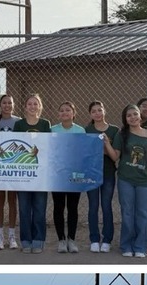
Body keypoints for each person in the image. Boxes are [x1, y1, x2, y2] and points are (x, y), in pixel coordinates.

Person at [112, 104, 147, 258]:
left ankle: (140, 246)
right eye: (129, 115)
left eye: (135, 114)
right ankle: (126, 245)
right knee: (127, 212)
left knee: (143, 213)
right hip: (126, 179)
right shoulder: (122, 134)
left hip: (145, 180)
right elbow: (115, 157)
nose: (132, 117)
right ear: (125, 119)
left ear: (140, 116)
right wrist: (106, 143)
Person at [14, 93, 52, 253]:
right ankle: (25, 240)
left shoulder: (45, 124)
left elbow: (49, 146)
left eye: (35, 104)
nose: (32, 107)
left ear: (40, 107)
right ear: (25, 107)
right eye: (30, 104)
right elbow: (15, 147)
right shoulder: (19, 125)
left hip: (41, 174)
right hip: (23, 174)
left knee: (39, 208)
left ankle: (38, 239)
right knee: (24, 208)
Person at [84, 101, 119, 253]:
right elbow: (84, 153)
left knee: (106, 205)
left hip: (108, 172)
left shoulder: (114, 130)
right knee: (93, 206)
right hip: (91, 173)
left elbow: (115, 157)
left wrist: (104, 145)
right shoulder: (87, 130)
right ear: (90, 114)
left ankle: (107, 239)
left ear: (104, 111)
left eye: (100, 110)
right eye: (94, 111)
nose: (97, 113)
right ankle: (94, 239)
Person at [51, 101, 86, 253]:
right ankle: (61, 240)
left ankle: (71, 239)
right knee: (58, 207)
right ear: (58, 114)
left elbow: (85, 152)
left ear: (73, 113)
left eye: (68, 110)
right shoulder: (52, 130)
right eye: (62, 110)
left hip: (74, 175)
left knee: (72, 208)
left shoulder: (80, 130)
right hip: (57, 175)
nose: (65, 113)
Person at [0, 94, 21, 250]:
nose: (7, 105)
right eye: (4, 103)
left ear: (13, 104)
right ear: (0, 105)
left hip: (14, 167)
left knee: (12, 201)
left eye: (9, 103)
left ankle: (11, 235)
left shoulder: (18, 122)